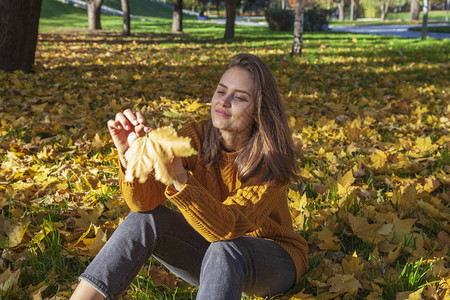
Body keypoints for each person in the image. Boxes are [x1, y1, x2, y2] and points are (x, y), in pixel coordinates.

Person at [70, 53, 308, 300]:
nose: (223, 102)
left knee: (226, 247)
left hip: (274, 260)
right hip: (216, 253)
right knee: (145, 220)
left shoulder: (271, 161)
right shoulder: (197, 135)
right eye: (221, 91)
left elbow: (230, 229)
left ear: (259, 111)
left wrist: (180, 177)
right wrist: (131, 158)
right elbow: (143, 204)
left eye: (239, 97)